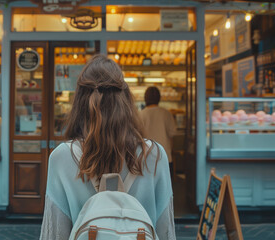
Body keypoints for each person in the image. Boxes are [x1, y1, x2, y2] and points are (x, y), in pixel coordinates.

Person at [40, 55, 176, 239]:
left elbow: (55, 234)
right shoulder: (155, 155)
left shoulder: (62, 157)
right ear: (126, 100)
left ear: (79, 102)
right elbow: (165, 231)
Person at [140, 86, 177, 175]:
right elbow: (172, 135)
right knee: (165, 187)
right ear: (159, 98)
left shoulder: (140, 115)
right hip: (164, 157)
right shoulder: (167, 114)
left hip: (146, 158)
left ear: (145, 98)